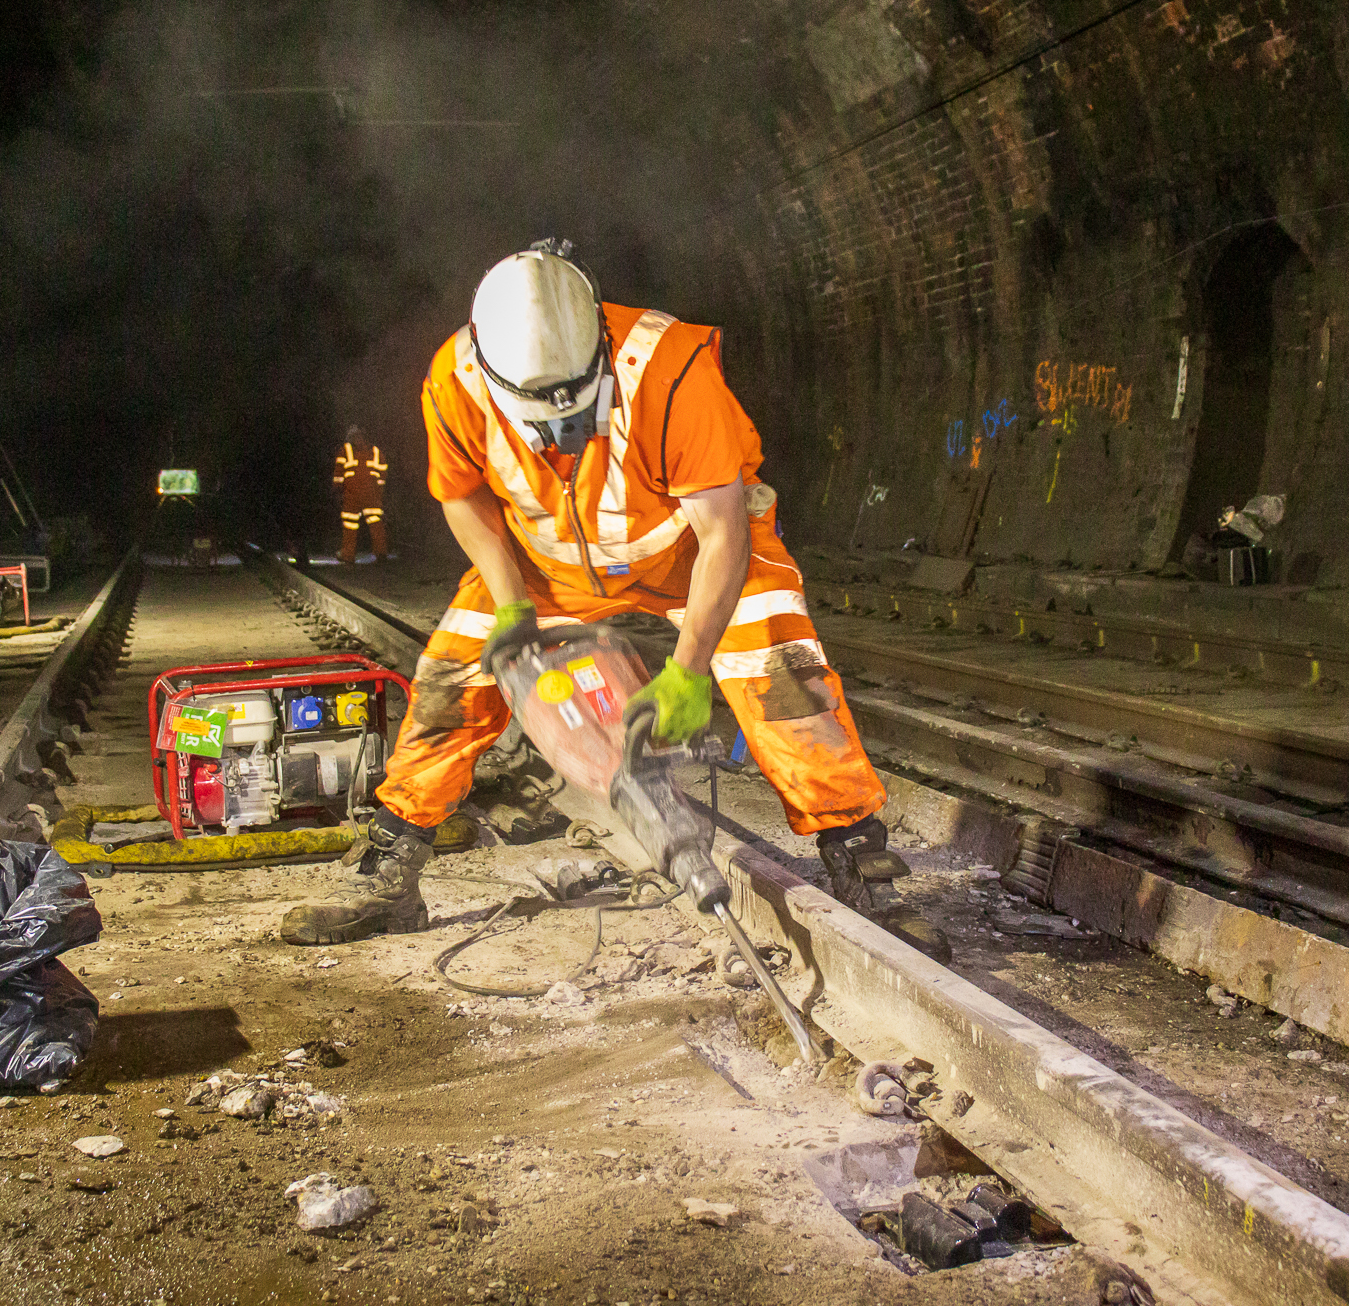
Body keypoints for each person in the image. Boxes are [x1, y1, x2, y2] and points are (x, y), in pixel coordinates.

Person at [280, 241, 947, 961]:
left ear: (599, 342)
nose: (565, 432)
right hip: (550, 567)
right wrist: (510, 608)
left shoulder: (671, 368)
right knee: (452, 677)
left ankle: (859, 862)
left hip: (688, 553)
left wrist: (688, 673)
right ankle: (393, 869)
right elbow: (463, 494)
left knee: (781, 664)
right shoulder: (456, 381)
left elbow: (723, 532)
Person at [333, 425, 388, 563]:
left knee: (350, 524)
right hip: (372, 493)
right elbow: (382, 475)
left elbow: (339, 473)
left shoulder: (345, 450)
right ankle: (381, 553)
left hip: (352, 492)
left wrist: (337, 490)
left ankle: (348, 555)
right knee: (376, 522)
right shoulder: (376, 451)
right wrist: (379, 492)